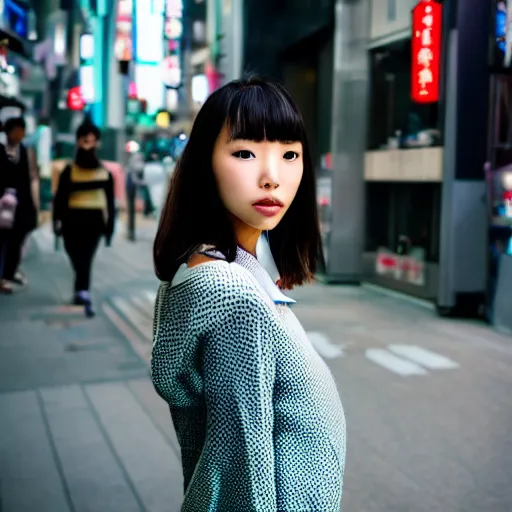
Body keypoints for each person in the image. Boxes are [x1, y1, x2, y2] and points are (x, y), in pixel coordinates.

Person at [151, 77, 346, 511]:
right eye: (244, 153)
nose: (272, 177)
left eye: (289, 154)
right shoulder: (231, 295)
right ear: (205, 163)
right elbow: (242, 468)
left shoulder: (220, 266)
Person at [53, 121, 115, 317]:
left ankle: (82, 292)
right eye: (83, 140)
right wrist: (56, 221)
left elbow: (110, 203)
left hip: (94, 220)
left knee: (86, 257)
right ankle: (81, 289)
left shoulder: (104, 172)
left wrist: (109, 227)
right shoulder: (69, 171)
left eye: (91, 140)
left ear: (97, 143)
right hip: (72, 219)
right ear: (78, 142)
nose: (87, 144)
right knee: (74, 255)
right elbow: (60, 199)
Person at [0, 117, 38, 294]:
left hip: (19, 206)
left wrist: (32, 208)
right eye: (15, 131)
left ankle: (6, 276)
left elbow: (28, 180)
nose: (18, 135)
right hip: (2, 203)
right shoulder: (1, 150)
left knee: (15, 242)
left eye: (21, 131)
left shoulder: (24, 152)